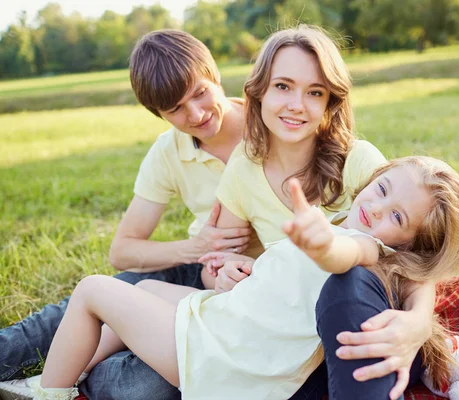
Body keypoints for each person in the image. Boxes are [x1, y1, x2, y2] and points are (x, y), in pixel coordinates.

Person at [0, 27, 429, 400]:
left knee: (134, 376)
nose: (296, 104)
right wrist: (218, 268)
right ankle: (60, 368)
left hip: (270, 328)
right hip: (243, 298)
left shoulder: (359, 163)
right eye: (282, 87)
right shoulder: (241, 164)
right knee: (117, 297)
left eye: (314, 92)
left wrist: (418, 322)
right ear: (258, 89)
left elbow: (417, 252)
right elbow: (199, 266)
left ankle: (69, 379)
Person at [32, 154, 459, 400]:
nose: (376, 207)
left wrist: (322, 243)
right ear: (372, 180)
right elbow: (292, 284)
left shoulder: (365, 248)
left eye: (396, 215)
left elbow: (340, 256)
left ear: (408, 243)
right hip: (230, 320)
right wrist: (246, 271)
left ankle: (50, 395)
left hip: (221, 355)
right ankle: (76, 368)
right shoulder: (342, 223)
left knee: (92, 289)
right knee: (144, 286)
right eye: (382, 188)